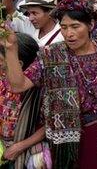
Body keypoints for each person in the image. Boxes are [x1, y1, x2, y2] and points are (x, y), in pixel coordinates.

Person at [2, 0, 97, 168]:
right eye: (63, 27)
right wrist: (11, 49)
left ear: (90, 25)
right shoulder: (50, 55)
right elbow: (18, 86)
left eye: (75, 26)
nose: (68, 33)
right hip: (68, 139)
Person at [0, 33, 47, 168]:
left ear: (18, 63)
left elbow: (48, 125)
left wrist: (19, 147)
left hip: (26, 154)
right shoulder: (3, 83)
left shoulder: (39, 90)